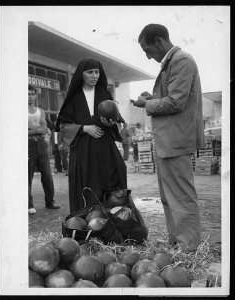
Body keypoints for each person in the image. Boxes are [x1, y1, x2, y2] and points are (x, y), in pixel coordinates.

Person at [132, 24, 204, 251]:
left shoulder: (182, 61)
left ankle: (188, 246)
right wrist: (152, 97)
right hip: (168, 141)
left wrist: (147, 103)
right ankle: (177, 240)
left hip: (176, 140)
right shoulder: (172, 62)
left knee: (181, 196)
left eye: (147, 49)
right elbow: (170, 97)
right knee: (169, 197)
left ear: (160, 41)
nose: (147, 55)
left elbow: (176, 101)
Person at [56, 58, 127, 213]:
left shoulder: (105, 94)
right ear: (82, 74)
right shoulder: (73, 98)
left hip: (105, 149)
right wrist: (84, 128)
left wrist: (111, 123)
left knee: (115, 176)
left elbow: (118, 122)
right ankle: (87, 223)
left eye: (97, 72)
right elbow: (64, 126)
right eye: (90, 72)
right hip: (83, 151)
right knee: (87, 186)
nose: (94, 75)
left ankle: (112, 222)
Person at [28, 85, 60, 214]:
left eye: (32, 94)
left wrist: (30, 130)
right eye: (27, 94)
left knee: (47, 175)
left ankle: (50, 201)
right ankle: (29, 205)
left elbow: (44, 128)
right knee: (27, 176)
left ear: (36, 95)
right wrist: (38, 130)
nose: (30, 96)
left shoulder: (41, 111)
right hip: (27, 145)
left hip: (41, 145)